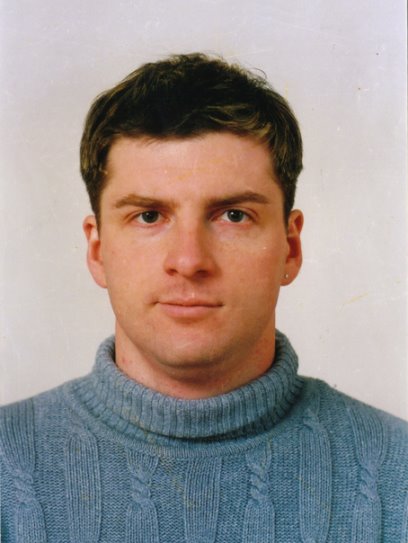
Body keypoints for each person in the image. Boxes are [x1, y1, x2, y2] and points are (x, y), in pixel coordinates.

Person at [1, 53, 407, 543]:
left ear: (291, 248)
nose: (189, 260)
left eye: (233, 215)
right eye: (149, 216)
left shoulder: (396, 470)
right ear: (97, 250)